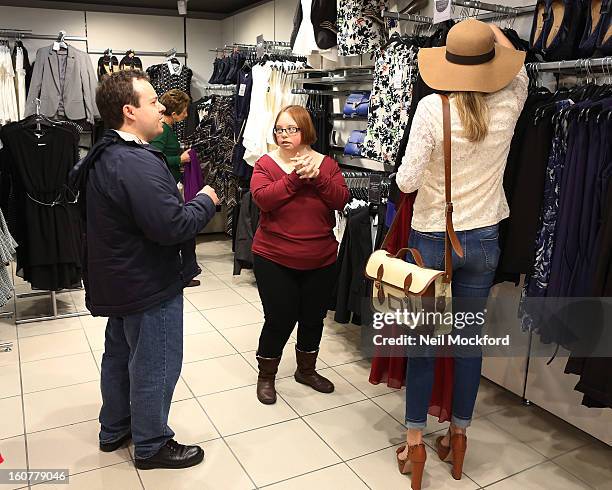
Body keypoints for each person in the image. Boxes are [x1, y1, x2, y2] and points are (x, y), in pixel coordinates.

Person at [394, 20, 528, 489]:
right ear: (491, 64)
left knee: (424, 346)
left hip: (433, 239)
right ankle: (458, 438)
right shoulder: (510, 102)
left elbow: (407, 181)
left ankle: (414, 444)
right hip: (485, 239)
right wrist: (494, 30)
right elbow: (521, 70)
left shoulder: (433, 107)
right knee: (469, 346)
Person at [70, 70, 220, 470]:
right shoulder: (134, 162)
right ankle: (152, 443)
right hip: (147, 282)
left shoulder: (104, 153)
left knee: (120, 355)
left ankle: (115, 428)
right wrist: (205, 200)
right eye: (152, 101)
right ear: (129, 111)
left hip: (120, 278)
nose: (161, 107)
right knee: (156, 360)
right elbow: (172, 227)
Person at [250, 105, 350, 405]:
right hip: (274, 256)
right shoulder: (265, 164)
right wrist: (295, 178)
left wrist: (317, 176)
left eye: (291, 129)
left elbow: (341, 199)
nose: (284, 135)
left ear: (305, 130)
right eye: (280, 129)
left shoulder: (327, 165)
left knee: (313, 318)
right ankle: (266, 375)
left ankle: (306, 370)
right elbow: (264, 200)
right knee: (279, 318)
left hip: (320, 258)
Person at [150, 89, 202, 288]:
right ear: (173, 113)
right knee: (186, 230)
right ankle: (186, 271)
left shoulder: (168, 128)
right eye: (184, 111)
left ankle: (186, 271)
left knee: (184, 231)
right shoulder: (162, 130)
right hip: (165, 187)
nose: (187, 115)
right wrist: (178, 159)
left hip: (169, 183)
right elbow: (154, 156)